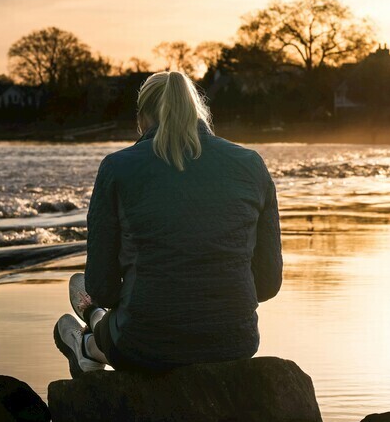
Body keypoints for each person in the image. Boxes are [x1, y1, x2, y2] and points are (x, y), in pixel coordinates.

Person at [53, 70, 282, 376]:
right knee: (131, 312)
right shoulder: (252, 164)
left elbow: (104, 288)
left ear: (142, 117)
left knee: (107, 307)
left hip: (144, 344)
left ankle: (88, 341)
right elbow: (266, 284)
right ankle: (94, 320)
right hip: (235, 342)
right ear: (196, 111)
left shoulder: (117, 167)